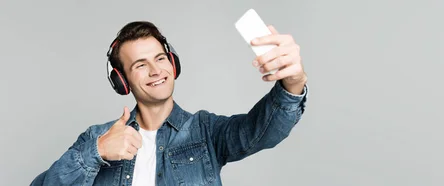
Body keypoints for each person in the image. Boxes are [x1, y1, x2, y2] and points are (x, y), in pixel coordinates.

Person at [30, 21, 308, 186]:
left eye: (160, 58)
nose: (155, 70)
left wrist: (292, 83)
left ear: (173, 63)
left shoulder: (206, 131)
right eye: (140, 64)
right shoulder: (97, 138)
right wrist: (96, 152)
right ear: (122, 81)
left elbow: (262, 130)